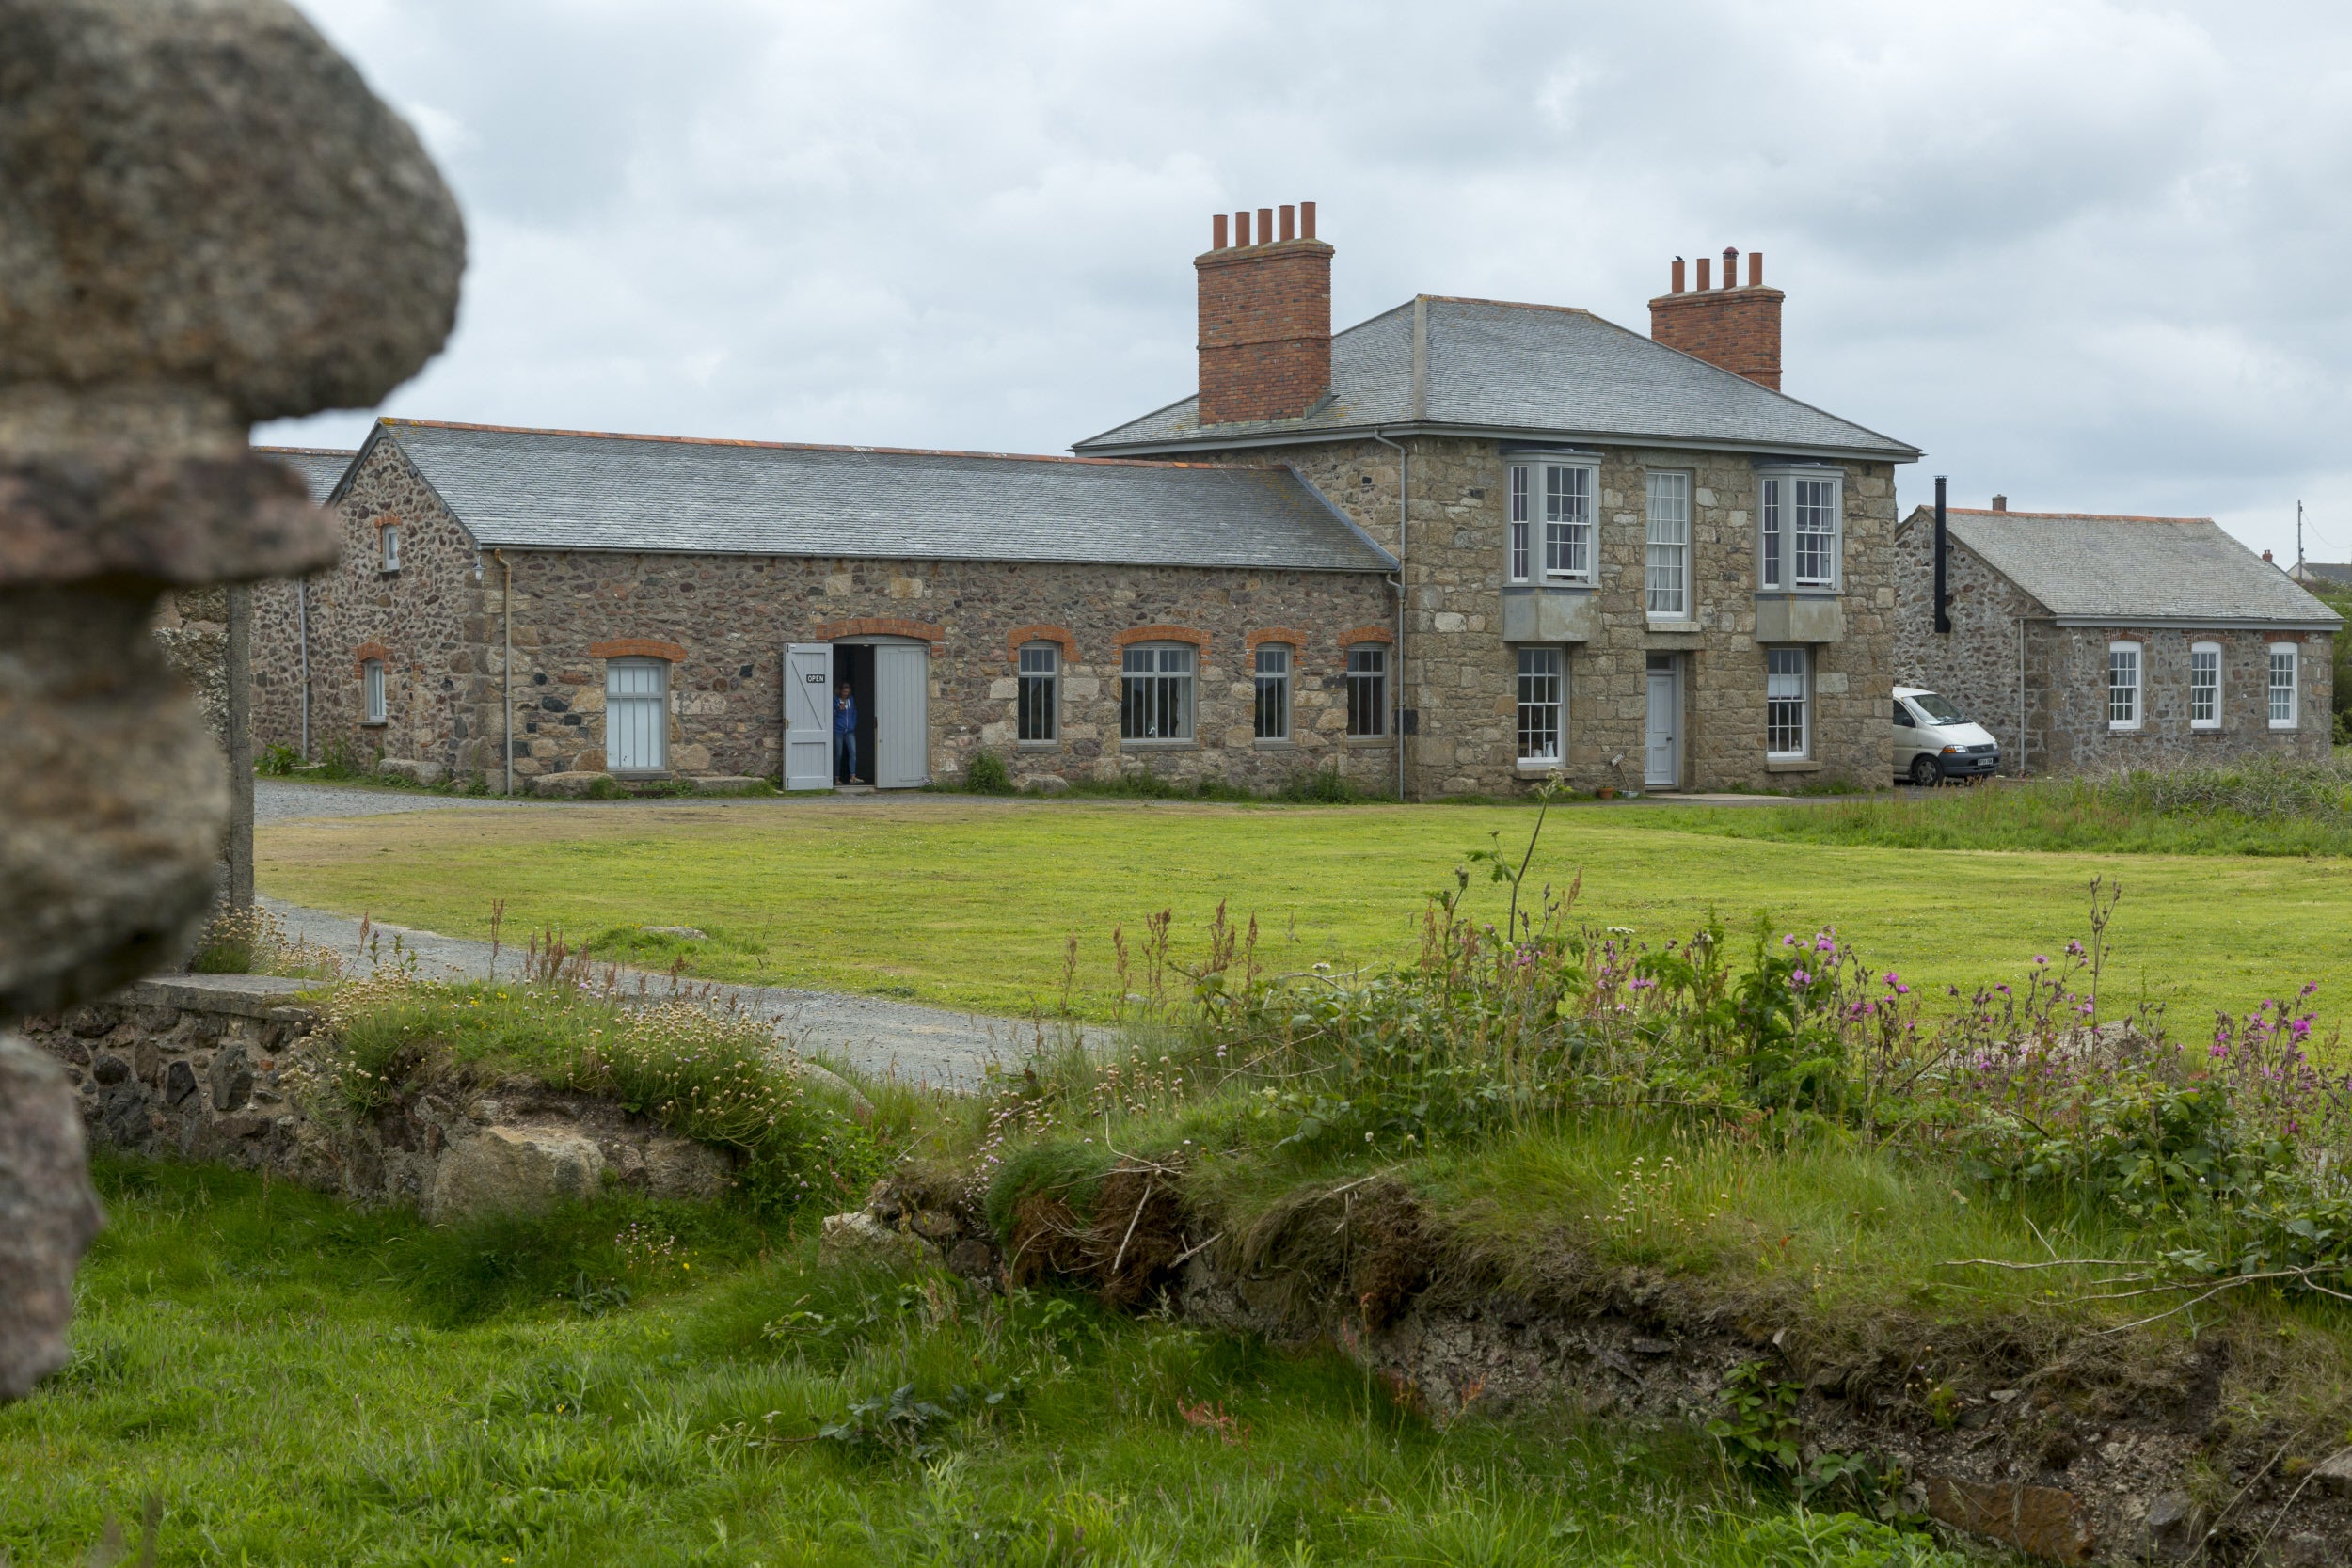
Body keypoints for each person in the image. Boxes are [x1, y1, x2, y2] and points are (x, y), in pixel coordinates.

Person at [833, 680, 858, 784]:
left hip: (849, 730)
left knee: (853, 752)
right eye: (844, 692)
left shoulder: (851, 700)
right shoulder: (835, 700)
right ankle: (837, 778)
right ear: (840, 691)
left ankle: (853, 776)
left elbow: (854, 712)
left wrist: (853, 723)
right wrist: (838, 709)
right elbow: (832, 712)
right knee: (838, 754)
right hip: (838, 730)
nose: (845, 694)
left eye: (847, 692)